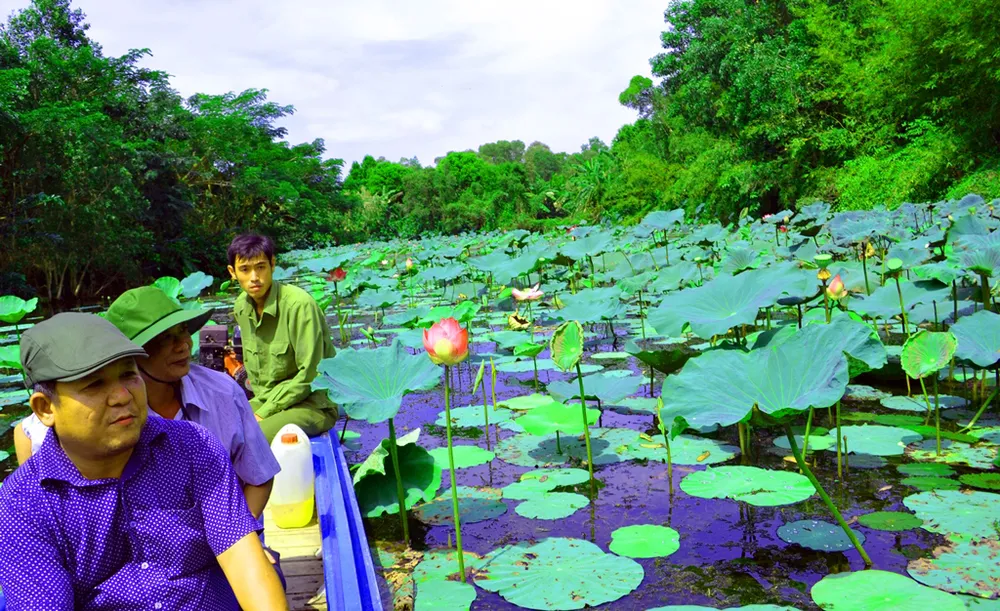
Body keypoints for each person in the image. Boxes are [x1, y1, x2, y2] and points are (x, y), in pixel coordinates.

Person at [0, 312, 288, 610]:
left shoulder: (193, 446)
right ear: (45, 408)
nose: (122, 396)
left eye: (128, 374)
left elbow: (245, 565)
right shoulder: (23, 506)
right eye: (94, 385)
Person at [227, 233, 338, 442]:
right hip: (267, 399)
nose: (254, 277)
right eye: (245, 269)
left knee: (252, 439)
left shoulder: (299, 306)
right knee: (218, 428)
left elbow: (311, 376)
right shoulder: (241, 307)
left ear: (272, 264)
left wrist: (263, 413)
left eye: (260, 267)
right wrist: (262, 409)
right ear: (232, 272)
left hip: (312, 404)